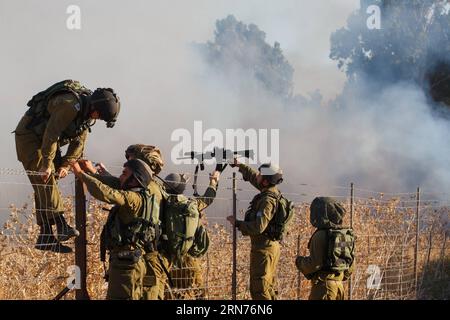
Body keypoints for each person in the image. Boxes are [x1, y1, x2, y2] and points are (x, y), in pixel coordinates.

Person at [14, 80, 120, 253]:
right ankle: (61, 225)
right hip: (30, 138)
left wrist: (66, 165)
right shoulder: (70, 106)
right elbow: (52, 133)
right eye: (98, 116)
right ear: (95, 108)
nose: (97, 119)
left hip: (47, 142)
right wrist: (47, 164)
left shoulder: (86, 113)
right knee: (44, 177)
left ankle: (46, 236)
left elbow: (79, 142)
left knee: (47, 180)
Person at [71, 158, 156, 300]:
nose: (121, 177)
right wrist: (91, 171)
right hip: (128, 261)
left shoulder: (132, 198)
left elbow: (107, 193)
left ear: (135, 180)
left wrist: (81, 175)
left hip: (126, 265)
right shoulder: (142, 195)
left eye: (124, 173)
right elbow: (114, 183)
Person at [226, 159, 284, 300]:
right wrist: (240, 165)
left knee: (259, 290)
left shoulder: (267, 200)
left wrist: (237, 223)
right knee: (267, 288)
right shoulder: (271, 191)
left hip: (263, 251)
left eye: (260, 174)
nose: (257, 175)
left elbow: (259, 227)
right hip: (269, 248)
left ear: (265, 181)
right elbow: (253, 177)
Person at [164, 172, 219, 299]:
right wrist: (213, 182)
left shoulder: (162, 204)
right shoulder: (190, 204)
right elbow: (208, 198)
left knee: (170, 293)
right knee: (197, 291)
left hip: (168, 258)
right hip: (188, 256)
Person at [296, 197, 355, 300]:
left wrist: (299, 262)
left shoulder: (320, 235)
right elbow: (351, 265)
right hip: (339, 288)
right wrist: (338, 278)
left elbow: (314, 264)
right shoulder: (344, 234)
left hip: (323, 289)